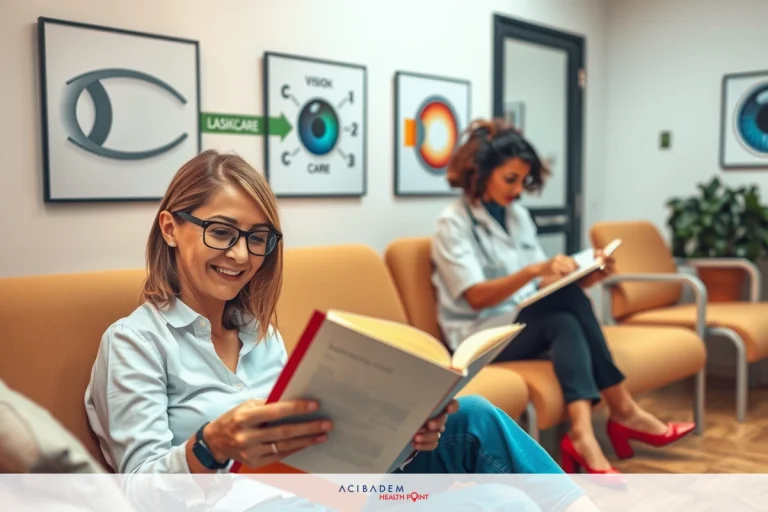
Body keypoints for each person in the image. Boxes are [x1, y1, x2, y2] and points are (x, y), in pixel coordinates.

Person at [84, 149, 596, 512]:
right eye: (221, 232)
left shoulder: (261, 335)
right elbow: (140, 494)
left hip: (328, 491)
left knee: (474, 417)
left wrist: (403, 439)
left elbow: (321, 448)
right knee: (499, 501)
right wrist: (210, 445)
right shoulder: (135, 342)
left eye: (257, 238)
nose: (240, 255)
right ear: (171, 228)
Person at [430, 119, 695, 480]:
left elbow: (540, 286)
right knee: (565, 311)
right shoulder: (453, 223)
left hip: (520, 322)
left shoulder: (518, 216)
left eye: (523, 181)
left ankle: (583, 434)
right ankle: (622, 410)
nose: (518, 190)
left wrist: (585, 276)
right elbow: (475, 296)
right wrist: (533, 271)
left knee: (565, 319)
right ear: (479, 173)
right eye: (510, 179)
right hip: (477, 336)